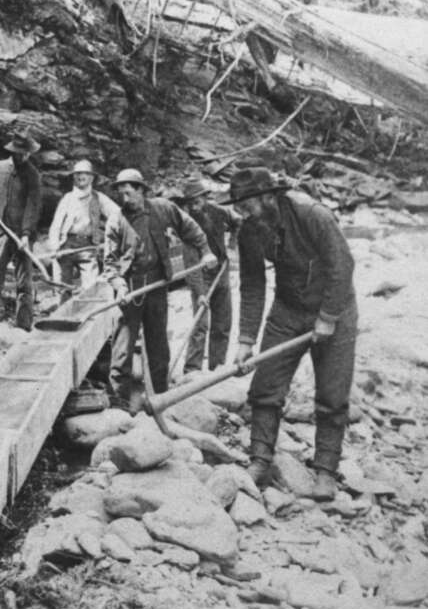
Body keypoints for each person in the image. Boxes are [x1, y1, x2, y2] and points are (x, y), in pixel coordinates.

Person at [227, 167, 357, 500]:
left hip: (335, 306)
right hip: (287, 309)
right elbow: (253, 286)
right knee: (265, 387)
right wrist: (245, 341)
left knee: (332, 395)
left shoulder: (311, 214)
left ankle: (325, 472)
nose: (240, 211)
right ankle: (260, 460)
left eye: (246, 203)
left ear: (268, 196)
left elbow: (342, 266)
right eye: (237, 204)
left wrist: (327, 317)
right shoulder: (250, 231)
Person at [104, 168, 215, 411]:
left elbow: (191, 228)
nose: (124, 199)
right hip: (130, 288)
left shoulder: (164, 208)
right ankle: (119, 403)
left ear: (142, 190)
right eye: (120, 194)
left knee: (158, 344)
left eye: (129, 193)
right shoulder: (116, 219)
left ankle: (161, 399)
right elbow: (109, 262)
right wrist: (118, 284)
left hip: (157, 285)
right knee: (122, 347)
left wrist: (206, 251)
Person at [177, 177, 242, 373]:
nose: (194, 206)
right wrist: (200, 293)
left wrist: (231, 245)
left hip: (221, 271)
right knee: (200, 325)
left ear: (205, 198)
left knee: (222, 323)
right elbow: (191, 264)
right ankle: (192, 369)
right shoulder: (186, 224)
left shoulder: (219, 212)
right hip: (201, 275)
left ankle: (217, 367)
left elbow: (238, 222)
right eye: (190, 203)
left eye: (197, 201)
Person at [0, 133, 42, 330]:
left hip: (22, 236)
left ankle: (23, 325)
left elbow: (33, 207)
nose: (22, 157)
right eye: (19, 153)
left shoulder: (32, 174)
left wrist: (25, 234)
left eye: (25, 154)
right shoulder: (2, 167)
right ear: (13, 152)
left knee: (24, 283)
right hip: (2, 232)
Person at [47, 160, 120, 295]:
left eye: (85, 174)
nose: (81, 177)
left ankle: (87, 315)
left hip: (88, 246)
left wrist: (112, 234)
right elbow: (56, 225)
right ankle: (62, 313)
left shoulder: (98, 198)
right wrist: (54, 247)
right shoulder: (67, 198)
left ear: (92, 177)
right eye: (78, 174)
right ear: (74, 177)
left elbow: (117, 214)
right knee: (62, 288)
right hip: (66, 246)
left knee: (91, 288)